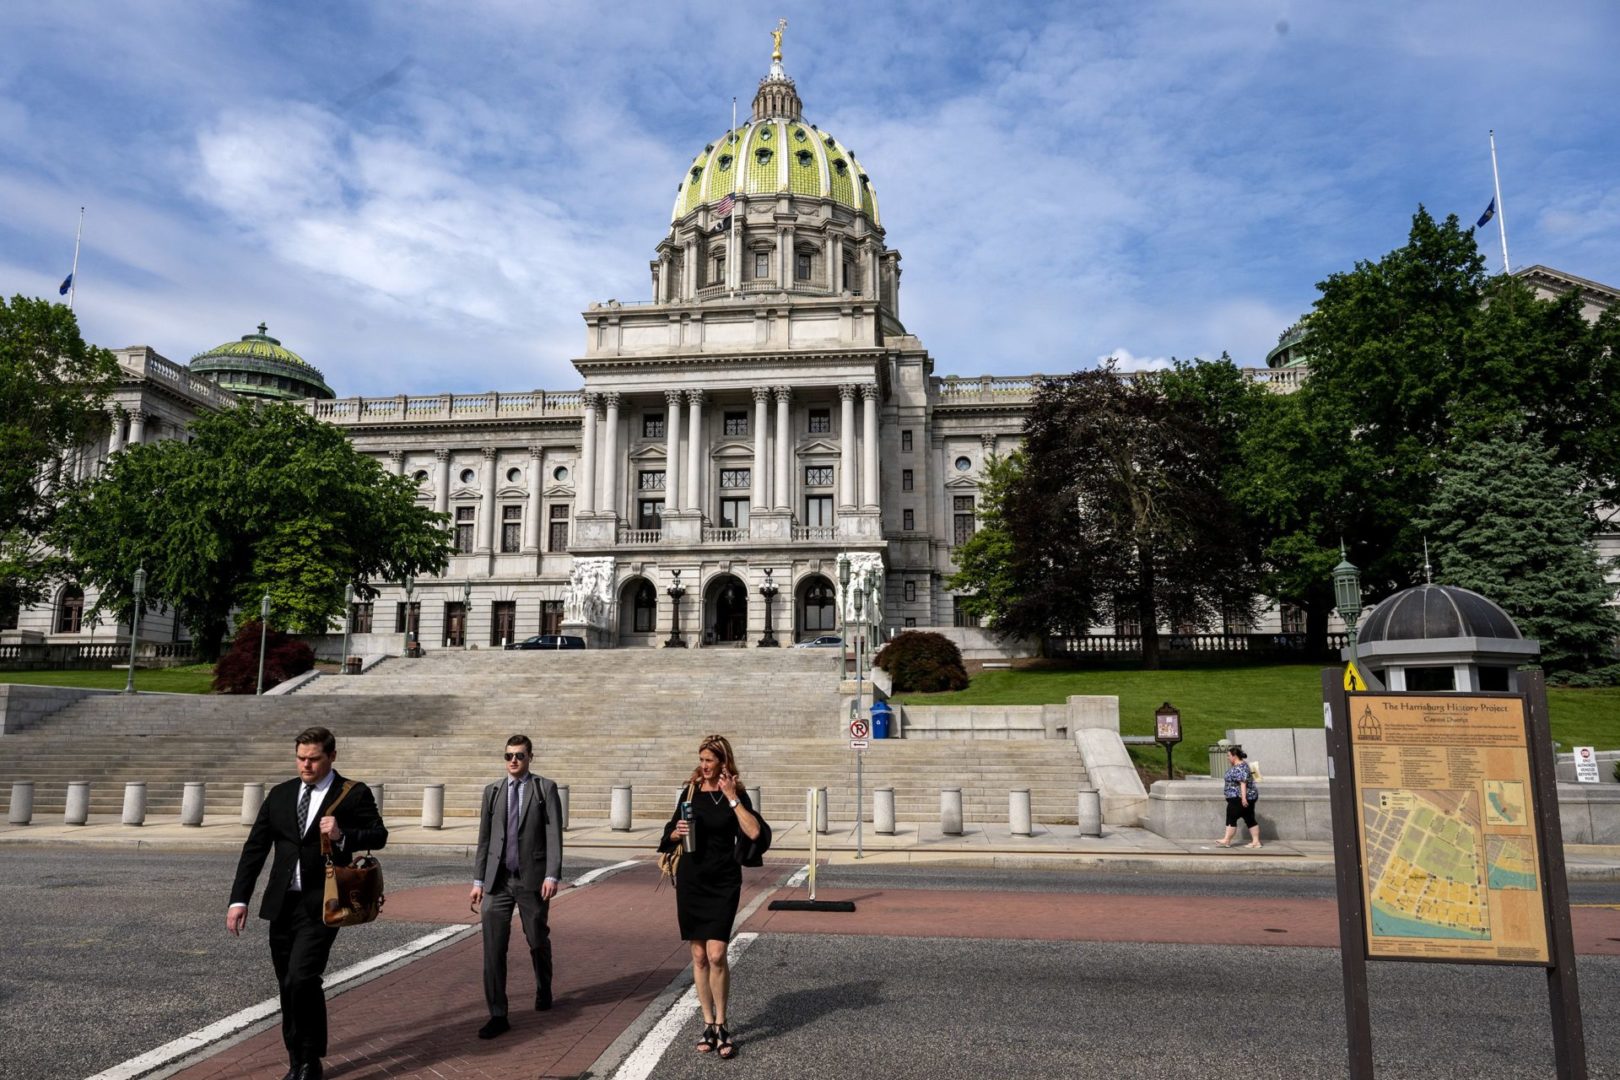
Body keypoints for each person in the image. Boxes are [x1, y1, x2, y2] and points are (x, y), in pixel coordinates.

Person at [227, 727, 387, 1080]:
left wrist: (343, 834)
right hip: (282, 904)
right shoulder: (281, 794)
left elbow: (380, 834)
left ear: (332, 756)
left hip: (324, 903)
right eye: (301, 758)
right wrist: (239, 899)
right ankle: (296, 1057)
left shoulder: (353, 794)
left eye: (314, 758)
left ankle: (309, 1061)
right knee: (288, 984)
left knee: (303, 977)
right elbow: (254, 849)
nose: (306, 765)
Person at [659, 734, 764, 1062]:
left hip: (723, 880)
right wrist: (675, 832)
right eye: (701, 759)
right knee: (699, 955)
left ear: (723, 761)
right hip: (692, 879)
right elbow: (667, 835)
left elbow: (754, 832)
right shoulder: (690, 791)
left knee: (717, 953)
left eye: (709, 760)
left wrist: (733, 798)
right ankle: (707, 1022)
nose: (703, 766)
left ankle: (723, 1023)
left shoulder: (737, 792)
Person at [470, 733, 564, 1040]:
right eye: (509, 755)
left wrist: (552, 874)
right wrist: (478, 881)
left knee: (537, 938)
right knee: (492, 949)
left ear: (530, 758)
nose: (513, 760)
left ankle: (544, 986)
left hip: (531, 880)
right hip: (497, 882)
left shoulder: (544, 789)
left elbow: (553, 835)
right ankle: (497, 1013)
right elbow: (484, 839)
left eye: (519, 755)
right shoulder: (492, 791)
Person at [1217, 745, 1261, 849]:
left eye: (1229, 756)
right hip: (1246, 797)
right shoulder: (1242, 766)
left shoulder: (1240, 767)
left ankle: (1227, 840)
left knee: (1231, 817)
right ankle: (1256, 842)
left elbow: (1243, 783)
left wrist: (1243, 798)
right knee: (1249, 818)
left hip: (1238, 797)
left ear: (1234, 756)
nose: (1228, 758)